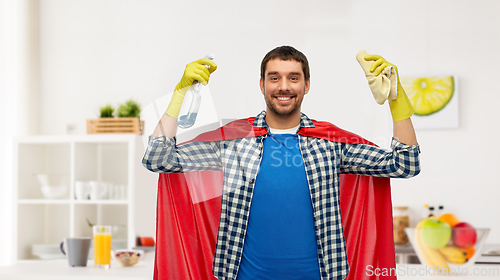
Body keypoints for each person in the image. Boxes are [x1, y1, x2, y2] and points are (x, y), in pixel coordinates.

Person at [143, 46, 421, 280]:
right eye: (274, 78)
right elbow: (158, 159)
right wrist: (180, 95)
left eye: (293, 78)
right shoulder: (232, 144)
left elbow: (404, 164)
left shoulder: (332, 143)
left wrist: (395, 100)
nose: (284, 86)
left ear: (306, 85)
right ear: (262, 84)